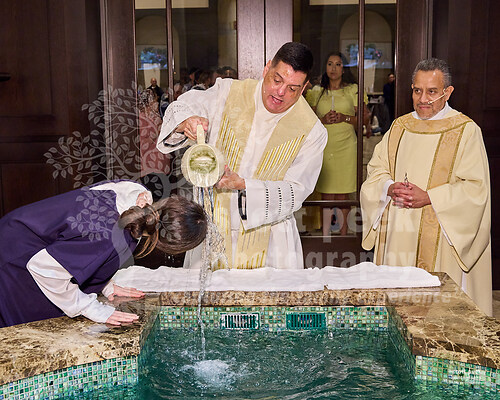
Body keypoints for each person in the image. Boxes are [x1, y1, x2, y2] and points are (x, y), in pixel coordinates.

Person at [157, 42, 327, 270]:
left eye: (292, 89)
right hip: (214, 226)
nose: (280, 92)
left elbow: (296, 191)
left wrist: (244, 185)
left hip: (271, 238)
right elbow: (184, 106)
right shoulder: (228, 92)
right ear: (267, 68)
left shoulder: (312, 130)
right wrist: (186, 121)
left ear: (304, 87)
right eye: (277, 80)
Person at [360, 58, 492, 316]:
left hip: (444, 235)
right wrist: (388, 187)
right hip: (399, 232)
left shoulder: (465, 131)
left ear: (447, 92)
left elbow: (476, 189)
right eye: (417, 91)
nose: (423, 99)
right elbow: (377, 169)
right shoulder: (399, 127)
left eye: (432, 92)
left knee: (441, 317)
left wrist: (430, 197)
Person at [0, 180, 207, 327]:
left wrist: (103, 283)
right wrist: (91, 308)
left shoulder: (135, 203)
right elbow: (44, 269)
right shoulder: (109, 235)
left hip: (17, 232)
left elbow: (77, 243)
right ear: (170, 248)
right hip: (17, 262)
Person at [305, 52, 368, 236]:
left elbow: (364, 120)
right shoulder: (316, 92)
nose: (333, 68)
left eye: (338, 64)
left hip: (346, 147)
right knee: (326, 193)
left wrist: (344, 118)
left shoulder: (353, 90)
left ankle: (343, 235)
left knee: (343, 194)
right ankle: (325, 236)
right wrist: (323, 120)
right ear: (325, 67)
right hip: (326, 147)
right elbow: (308, 123)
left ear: (344, 68)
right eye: (330, 64)